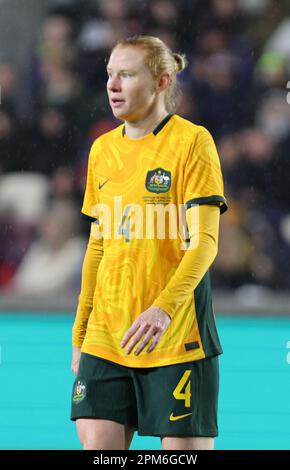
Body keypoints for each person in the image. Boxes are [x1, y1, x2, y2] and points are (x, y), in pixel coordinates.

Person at [70, 35, 228, 451]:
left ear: (162, 81)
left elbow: (205, 243)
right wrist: (81, 332)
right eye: (109, 74)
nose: (112, 85)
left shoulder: (192, 143)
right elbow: (98, 247)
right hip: (108, 337)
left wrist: (162, 309)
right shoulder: (102, 150)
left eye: (126, 74)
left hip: (176, 337)